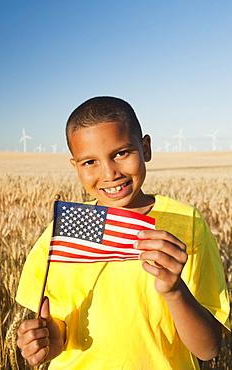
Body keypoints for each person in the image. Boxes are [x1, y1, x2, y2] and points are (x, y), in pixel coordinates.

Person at [16, 97, 230, 369]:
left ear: (146, 148)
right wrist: (49, 340)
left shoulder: (186, 222)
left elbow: (208, 349)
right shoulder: (66, 230)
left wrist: (175, 290)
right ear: (75, 166)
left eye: (121, 153)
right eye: (89, 162)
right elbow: (58, 325)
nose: (109, 174)